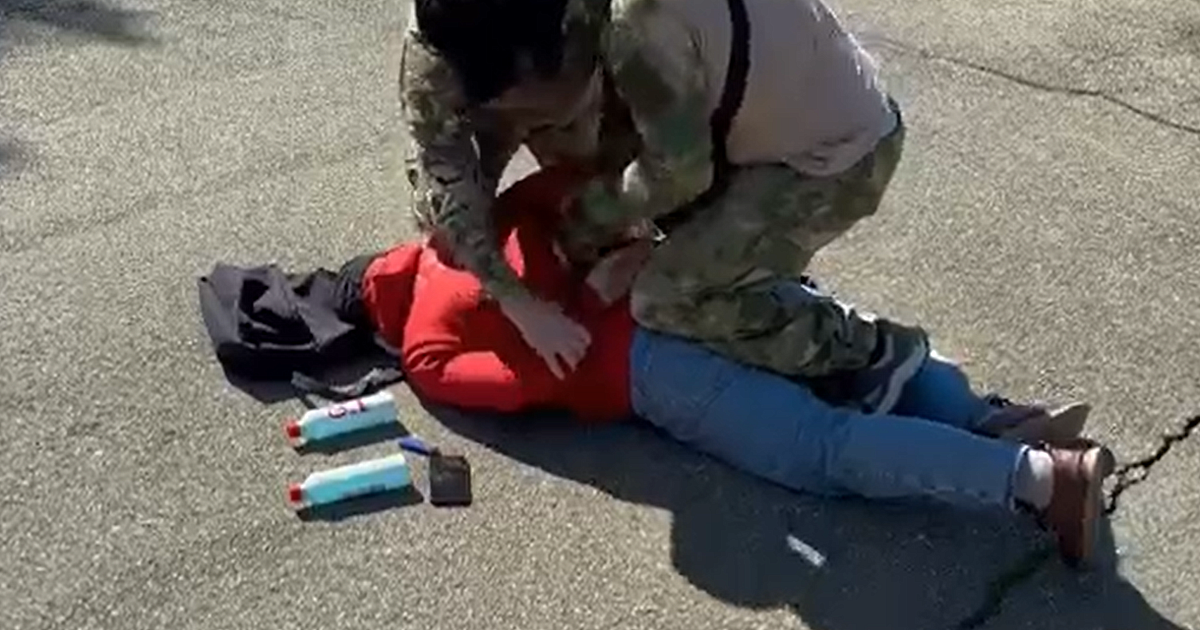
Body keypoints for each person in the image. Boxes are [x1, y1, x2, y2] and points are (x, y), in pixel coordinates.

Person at [350, 166, 1112, 567]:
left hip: (650, 368)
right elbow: (602, 191)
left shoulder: (425, 351)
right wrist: (621, 260)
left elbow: (550, 375)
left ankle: (1039, 479)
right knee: (851, 350)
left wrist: (557, 316)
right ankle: (986, 418)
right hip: (691, 287)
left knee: (822, 448)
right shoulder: (492, 214)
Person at [400, 0, 931, 414]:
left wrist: (583, 229)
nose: (524, 123)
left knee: (667, 299)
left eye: (527, 99)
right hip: (723, 113)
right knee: (495, 212)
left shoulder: (637, 29)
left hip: (831, 156)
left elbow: (679, 172)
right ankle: (727, 271)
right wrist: (517, 300)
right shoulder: (441, 34)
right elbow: (446, 186)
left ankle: (867, 350)